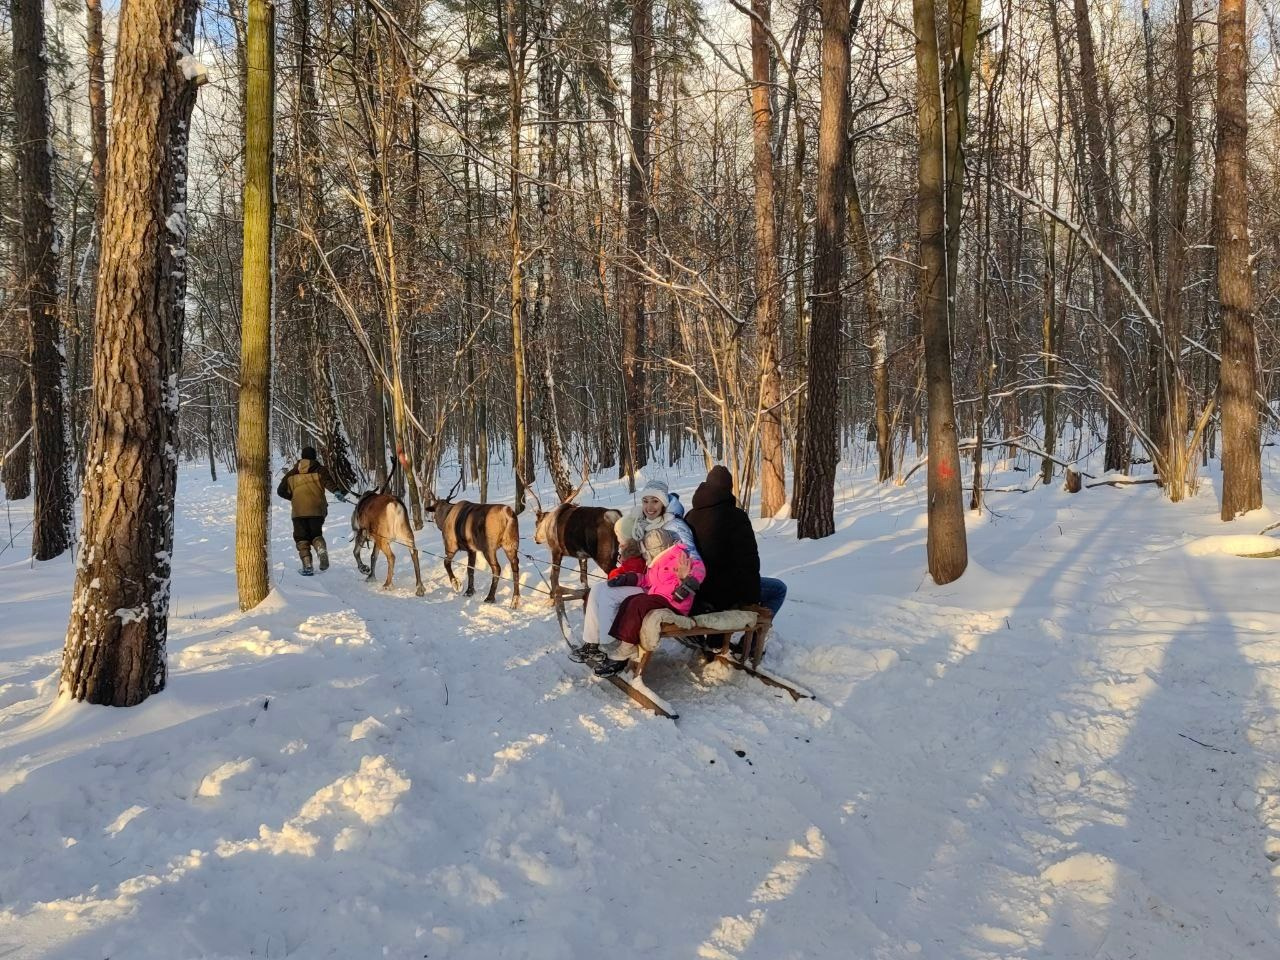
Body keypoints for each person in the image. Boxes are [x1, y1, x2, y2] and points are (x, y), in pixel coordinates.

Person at [578, 479, 698, 660]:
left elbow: (693, 558)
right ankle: (593, 643)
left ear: (664, 503)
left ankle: (611, 646)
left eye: (655, 501)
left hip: (663, 587)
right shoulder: (643, 524)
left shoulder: (674, 526)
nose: (649, 507)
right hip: (645, 579)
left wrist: (686, 581)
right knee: (598, 589)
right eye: (646, 501)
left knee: (608, 595)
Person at [594, 528, 706, 676]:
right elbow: (647, 580)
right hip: (660, 598)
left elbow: (699, 570)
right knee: (631, 600)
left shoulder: (680, 557)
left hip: (675, 602)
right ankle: (621, 641)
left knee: (638, 604)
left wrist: (685, 581)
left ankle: (625, 650)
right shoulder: (658, 562)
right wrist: (628, 578)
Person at [684, 464, 787, 617]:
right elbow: (749, 561)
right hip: (725, 592)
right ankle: (753, 637)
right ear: (728, 489)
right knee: (779, 589)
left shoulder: (690, 515)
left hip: (697, 589)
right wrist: (751, 600)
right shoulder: (737, 516)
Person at [277, 445, 349, 576]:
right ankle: (321, 551)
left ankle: (307, 565)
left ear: (302, 457)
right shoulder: (320, 470)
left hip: (298, 511)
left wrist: (293, 497)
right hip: (317, 508)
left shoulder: (292, 473)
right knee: (316, 534)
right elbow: (329, 483)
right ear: (315, 457)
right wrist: (337, 492)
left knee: (301, 537)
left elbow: (280, 491)